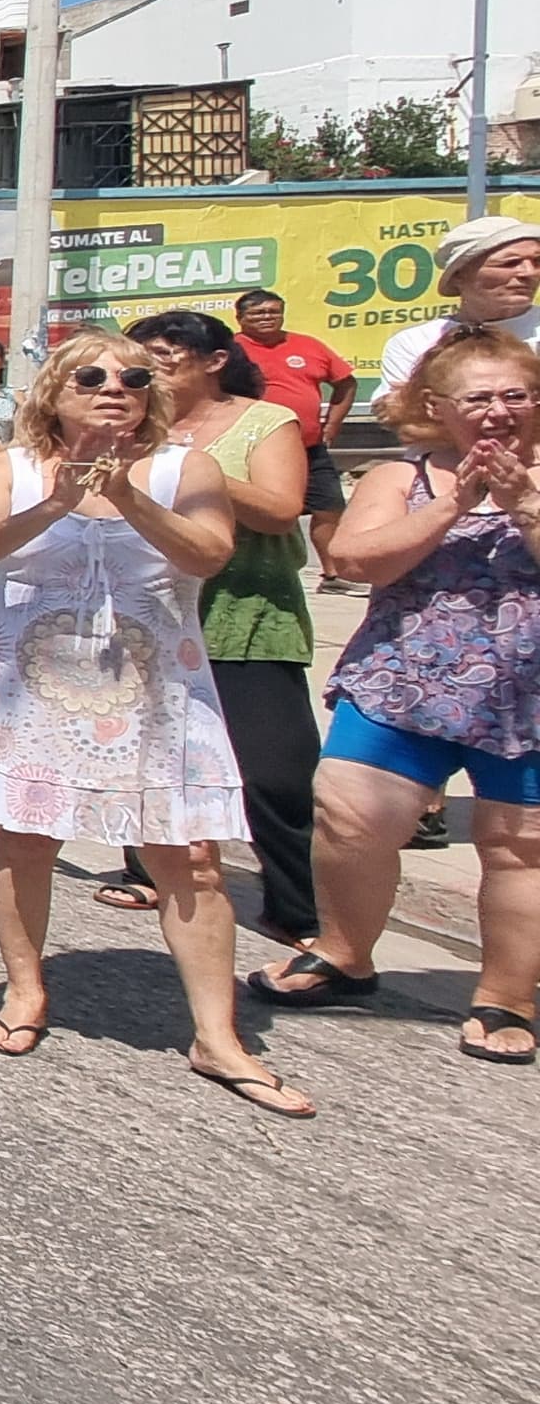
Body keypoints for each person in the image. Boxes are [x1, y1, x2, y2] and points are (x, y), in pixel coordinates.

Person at [0, 331, 307, 1116]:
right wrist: (61, 500)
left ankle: (217, 1037)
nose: (115, 387)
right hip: (31, 682)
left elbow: (208, 555)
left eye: (134, 378)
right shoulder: (10, 468)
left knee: (191, 854)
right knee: (27, 836)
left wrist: (131, 496)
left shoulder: (186, 468)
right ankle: (26, 991)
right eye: (92, 377)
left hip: (157, 688)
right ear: (53, 394)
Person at [251, 325, 540, 1068]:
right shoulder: (396, 476)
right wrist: (456, 504)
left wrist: (524, 505)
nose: (499, 411)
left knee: (520, 847)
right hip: (405, 680)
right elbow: (352, 558)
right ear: (436, 405)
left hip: (527, 692)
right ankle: (345, 957)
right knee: (348, 817)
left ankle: (508, 995)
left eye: (516, 395)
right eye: (479, 398)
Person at [126, 309, 323, 944]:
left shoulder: (263, 421)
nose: (152, 363)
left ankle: (296, 906)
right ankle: (147, 869)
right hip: (149, 614)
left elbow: (279, 510)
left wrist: (189, 463)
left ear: (214, 360)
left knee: (274, 772)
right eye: (141, 353)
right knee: (145, 754)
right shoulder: (124, 421)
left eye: (168, 350)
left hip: (245, 612)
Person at [232, 288, 354, 570]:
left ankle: (335, 575)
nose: (267, 317)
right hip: (257, 449)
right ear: (240, 318)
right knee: (262, 512)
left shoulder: (308, 345)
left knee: (330, 508)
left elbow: (346, 383)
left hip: (310, 447)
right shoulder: (230, 350)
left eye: (273, 311)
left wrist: (332, 423)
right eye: (258, 313)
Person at [373, 214, 539, 401]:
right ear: (459, 276)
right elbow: (403, 417)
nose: (529, 272)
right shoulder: (414, 343)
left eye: (537, 262)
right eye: (509, 263)